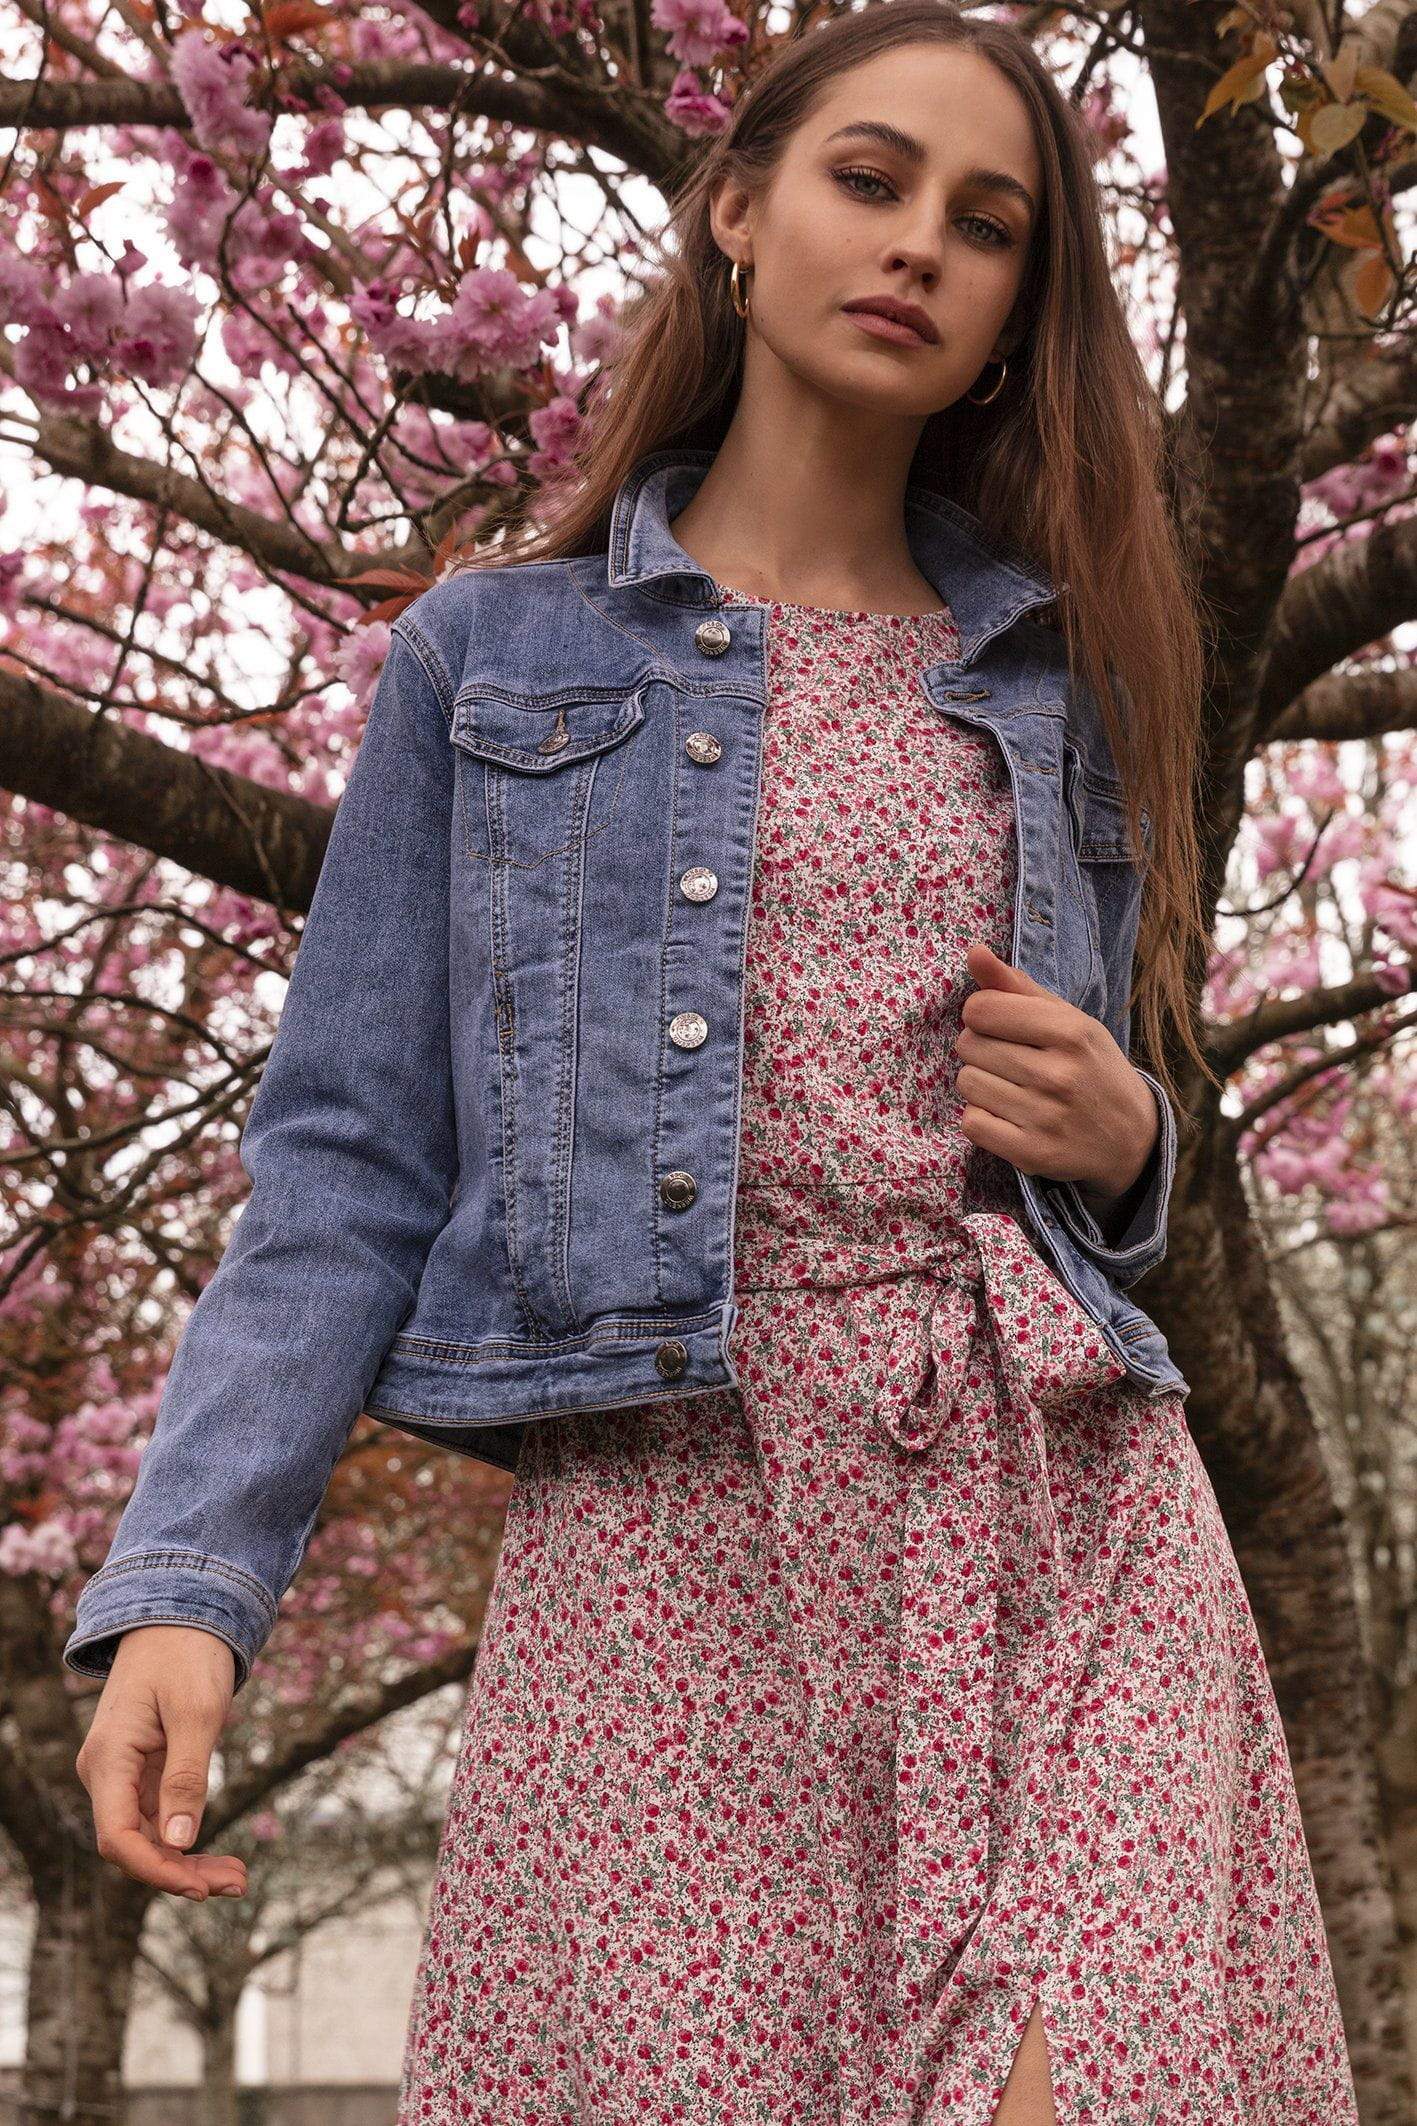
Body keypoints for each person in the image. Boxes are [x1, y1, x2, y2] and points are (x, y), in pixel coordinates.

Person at [67, 2, 1360, 2119]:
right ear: (739, 208)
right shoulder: (495, 655)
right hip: (675, 1544)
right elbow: (344, 1166)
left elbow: (1106, 1134)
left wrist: (1130, 1138)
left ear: (1020, 306)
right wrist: (194, 1591)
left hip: (1059, 1504)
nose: (922, 245)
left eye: (989, 223)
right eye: (870, 180)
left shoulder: (1063, 665)